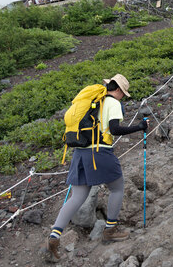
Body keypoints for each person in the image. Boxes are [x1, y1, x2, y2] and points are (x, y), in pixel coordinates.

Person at [45, 74, 149, 262]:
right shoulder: (113, 103)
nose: (122, 97)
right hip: (99, 152)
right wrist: (139, 127)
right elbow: (115, 129)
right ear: (118, 90)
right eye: (123, 94)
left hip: (79, 153)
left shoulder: (94, 101)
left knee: (77, 197)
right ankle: (110, 230)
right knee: (117, 188)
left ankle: (54, 236)